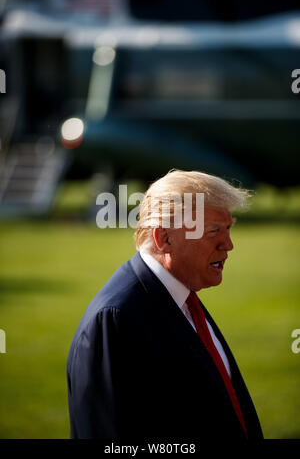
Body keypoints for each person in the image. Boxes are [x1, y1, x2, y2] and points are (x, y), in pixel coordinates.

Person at [67, 169, 263, 440]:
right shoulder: (115, 320)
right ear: (164, 238)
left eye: (228, 228)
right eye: (213, 231)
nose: (228, 245)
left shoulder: (183, 296)